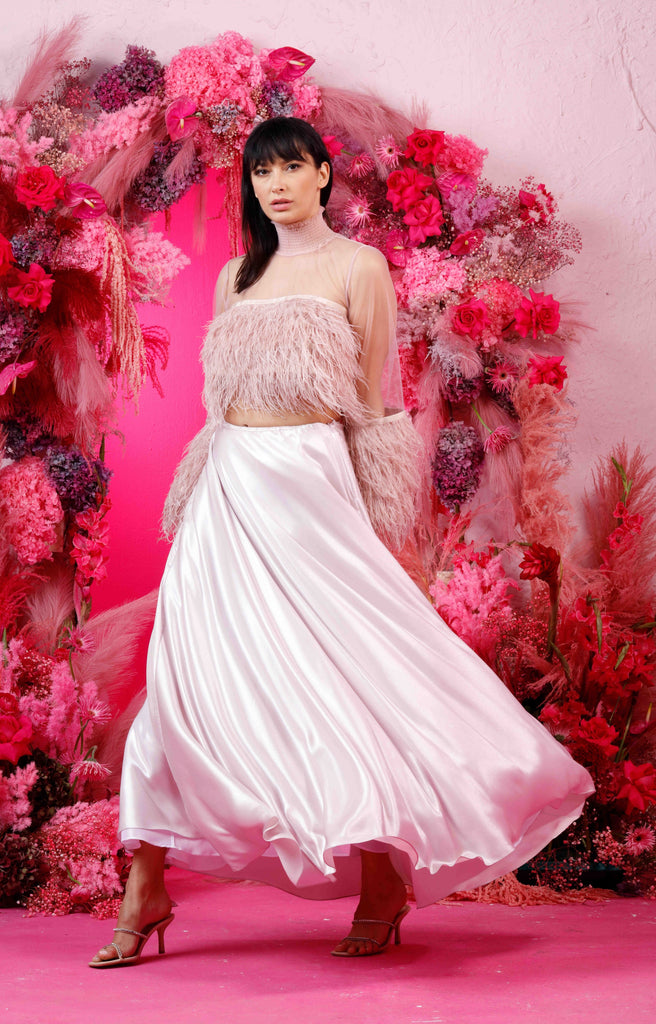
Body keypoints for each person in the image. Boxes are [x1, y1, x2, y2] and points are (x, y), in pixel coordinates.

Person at [90, 117, 594, 966]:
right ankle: (145, 884)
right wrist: (209, 481)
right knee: (190, 681)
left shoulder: (359, 268)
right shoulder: (236, 277)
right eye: (262, 174)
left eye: (292, 167)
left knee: (342, 674)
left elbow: (374, 404)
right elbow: (216, 405)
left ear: (323, 175)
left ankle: (384, 876)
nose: (276, 185)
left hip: (309, 481)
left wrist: (362, 514)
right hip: (228, 486)